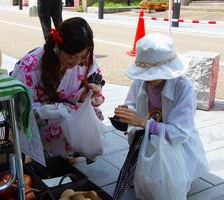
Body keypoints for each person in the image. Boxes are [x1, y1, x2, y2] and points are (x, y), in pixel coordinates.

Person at [112, 33, 209, 199]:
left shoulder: (183, 88)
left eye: (153, 75)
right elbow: (132, 102)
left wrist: (144, 122)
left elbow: (178, 132)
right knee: (146, 171)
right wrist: (126, 111)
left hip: (175, 143)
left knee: (171, 177)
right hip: (146, 136)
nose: (148, 80)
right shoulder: (141, 81)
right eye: (145, 74)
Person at [11, 17, 105, 161]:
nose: (77, 62)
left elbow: (96, 89)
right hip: (39, 116)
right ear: (58, 47)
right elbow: (19, 104)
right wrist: (47, 111)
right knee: (60, 123)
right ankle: (46, 155)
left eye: (82, 57)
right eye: (72, 57)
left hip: (65, 109)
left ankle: (67, 154)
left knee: (94, 115)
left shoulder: (87, 60)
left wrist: (90, 94)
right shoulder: (31, 64)